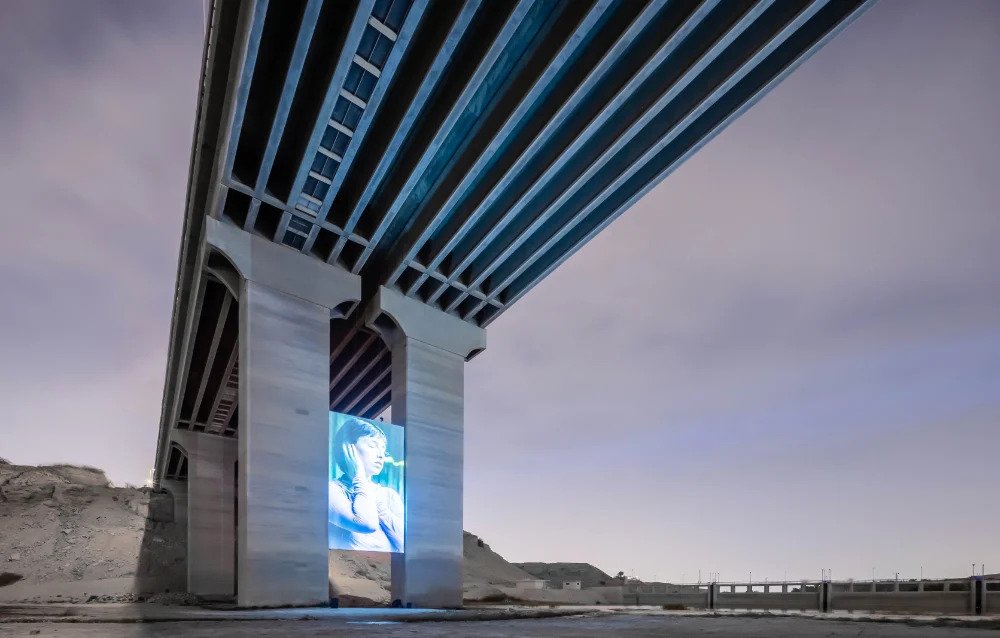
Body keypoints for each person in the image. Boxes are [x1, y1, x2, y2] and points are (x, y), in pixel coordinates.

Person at [328, 417, 403, 552]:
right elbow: (367, 524)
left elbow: (405, 544)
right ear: (347, 448)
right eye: (372, 445)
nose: (381, 455)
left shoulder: (389, 494)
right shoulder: (331, 490)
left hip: (389, 572)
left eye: (383, 449)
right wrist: (359, 476)